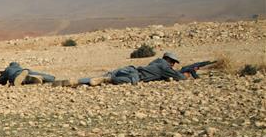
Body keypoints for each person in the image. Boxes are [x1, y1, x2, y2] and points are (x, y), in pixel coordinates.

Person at [54, 52, 187, 87]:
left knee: (104, 75)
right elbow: (180, 77)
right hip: (135, 75)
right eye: (173, 62)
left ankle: (76, 81)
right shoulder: (164, 66)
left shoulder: (156, 61)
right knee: (113, 80)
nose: (173, 65)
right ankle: (106, 79)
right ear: (169, 60)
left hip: (130, 68)